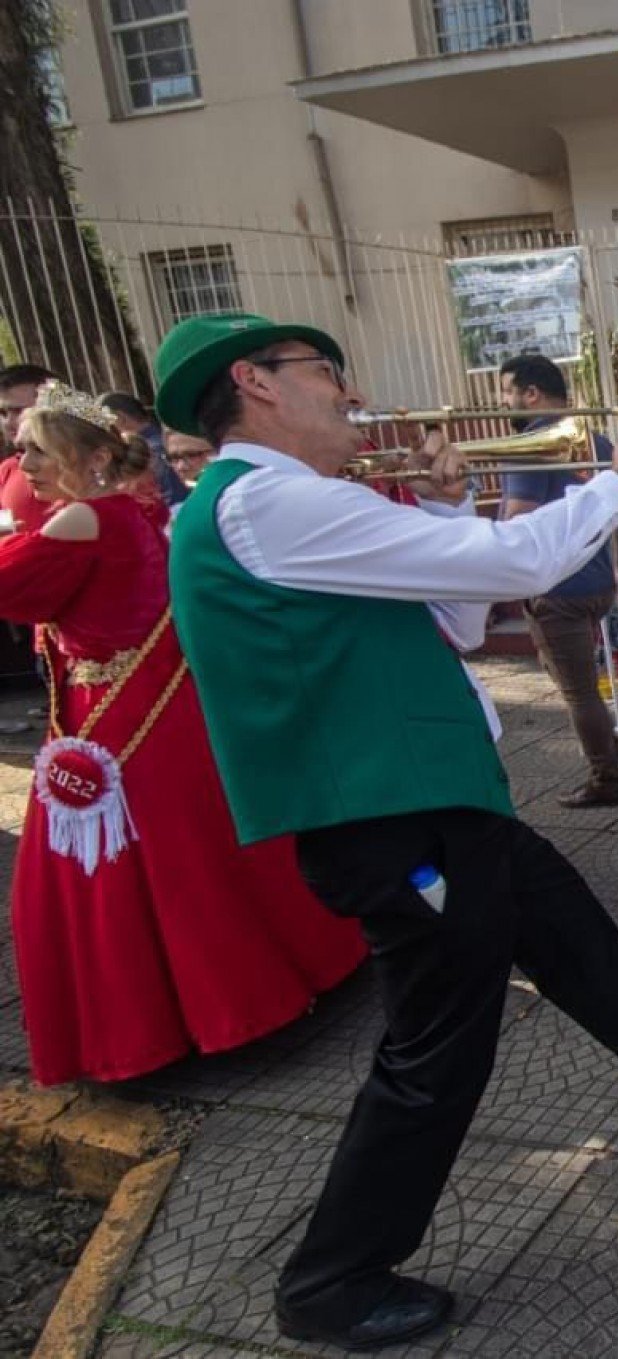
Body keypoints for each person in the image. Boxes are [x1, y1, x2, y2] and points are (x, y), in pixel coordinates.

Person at [154, 311, 618, 1352]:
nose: (349, 392)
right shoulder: (262, 499)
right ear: (257, 383)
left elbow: (458, 620)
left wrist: (450, 499)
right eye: (325, 371)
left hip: (431, 797)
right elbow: (512, 566)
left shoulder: (294, 502)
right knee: (438, 1048)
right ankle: (330, 1280)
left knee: (558, 913)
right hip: (386, 815)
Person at [0, 381, 364, 1087]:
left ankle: (157, 1025)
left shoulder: (78, 520)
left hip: (115, 721)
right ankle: (262, 984)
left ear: (86, 456)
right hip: (154, 709)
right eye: (20, 452)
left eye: (35, 450)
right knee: (196, 861)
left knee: (134, 871)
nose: (24, 465)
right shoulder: (130, 509)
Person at [496, 354, 618, 808]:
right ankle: (613, 749)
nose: (503, 403)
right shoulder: (594, 441)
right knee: (584, 682)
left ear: (530, 394)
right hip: (596, 583)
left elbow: (518, 522)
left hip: (555, 588)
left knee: (577, 691)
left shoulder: (532, 443)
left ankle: (606, 777)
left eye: (506, 392)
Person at [1, 363, 61, 536]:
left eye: (20, 411)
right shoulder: (7, 469)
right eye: (3, 413)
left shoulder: (88, 464)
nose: (8, 422)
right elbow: (5, 528)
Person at [101, 390, 186, 507]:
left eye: (103, 424)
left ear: (119, 418)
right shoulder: (163, 442)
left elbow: (173, 500)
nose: (102, 433)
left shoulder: (151, 452)